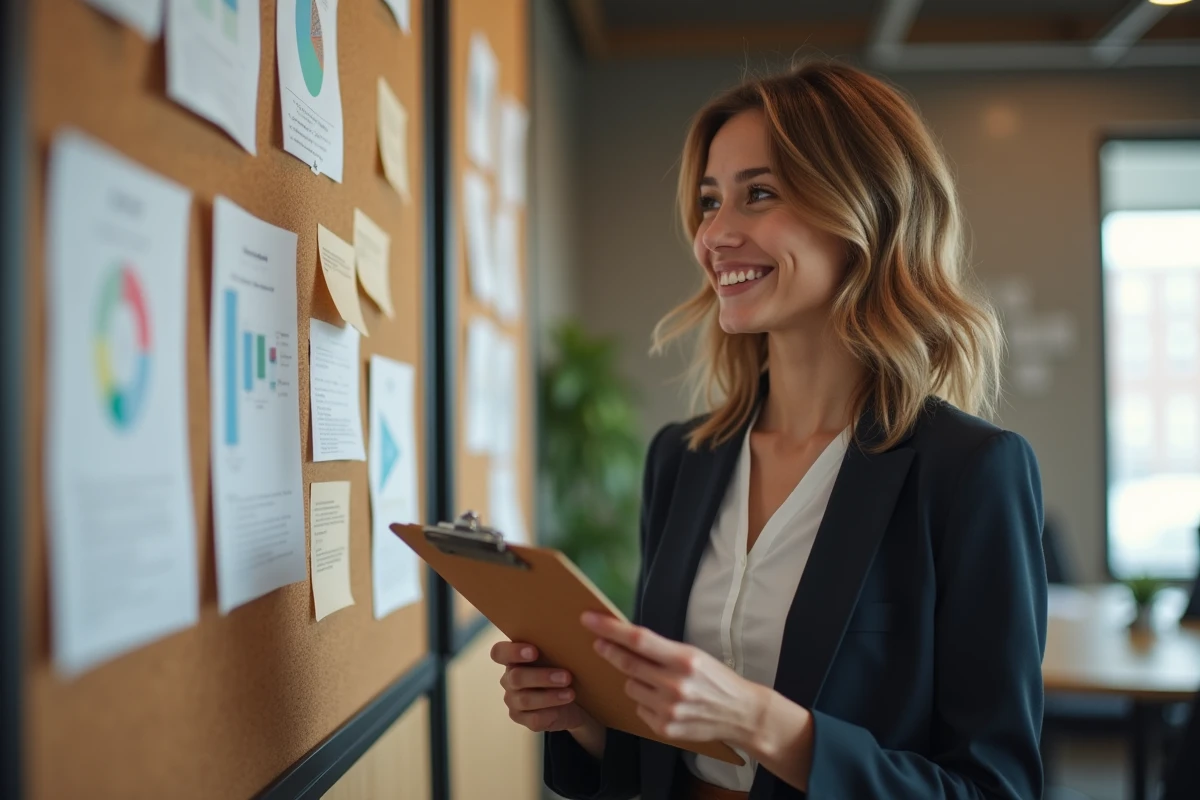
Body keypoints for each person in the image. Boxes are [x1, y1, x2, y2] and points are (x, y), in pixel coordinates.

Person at [492, 59, 1047, 799]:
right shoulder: (681, 459)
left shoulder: (972, 471)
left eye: (759, 194)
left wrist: (763, 723)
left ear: (867, 210)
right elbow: (657, 760)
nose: (714, 235)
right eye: (709, 201)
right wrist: (581, 719)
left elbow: (994, 788)